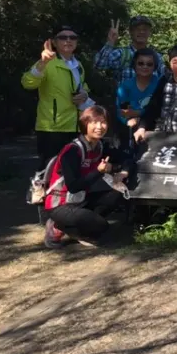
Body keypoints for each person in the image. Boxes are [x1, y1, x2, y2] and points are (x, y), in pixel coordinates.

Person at [43, 106, 129, 248]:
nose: (99, 127)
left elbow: (126, 158)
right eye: (94, 122)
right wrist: (99, 171)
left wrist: (123, 172)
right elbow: (74, 186)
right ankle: (59, 225)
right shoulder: (72, 150)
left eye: (103, 122)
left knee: (120, 193)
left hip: (81, 199)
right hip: (60, 203)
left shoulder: (100, 146)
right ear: (84, 124)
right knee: (102, 227)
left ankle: (78, 227)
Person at [22, 25, 96, 168]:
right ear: (54, 42)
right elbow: (27, 83)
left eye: (72, 37)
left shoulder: (78, 65)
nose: (68, 40)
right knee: (49, 170)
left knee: (72, 170)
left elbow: (82, 86)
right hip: (52, 128)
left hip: (75, 126)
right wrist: (42, 63)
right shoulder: (47, 63)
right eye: (63, 37)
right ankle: (39, 191)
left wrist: (84, 94)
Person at [94, 16, 164, 84]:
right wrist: (110, 42)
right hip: (126, 95)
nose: (141, 32)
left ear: (149, 33)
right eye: (137, 29)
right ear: (131, 32)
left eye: (145, 29)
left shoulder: (156, 57)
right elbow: (99, 65)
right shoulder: (121, 54)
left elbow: (165, 77)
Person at [115, 48, 161, 147]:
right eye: (141, 63)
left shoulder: (160, 84)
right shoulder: (125, 86)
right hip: (130, 128)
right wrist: (127, 120)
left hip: (155, 127)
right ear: (134, 65)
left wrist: (138, 114)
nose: (145, 66)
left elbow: (160, 109)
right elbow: (122, 111)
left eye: (149, 64)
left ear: (155, 66)